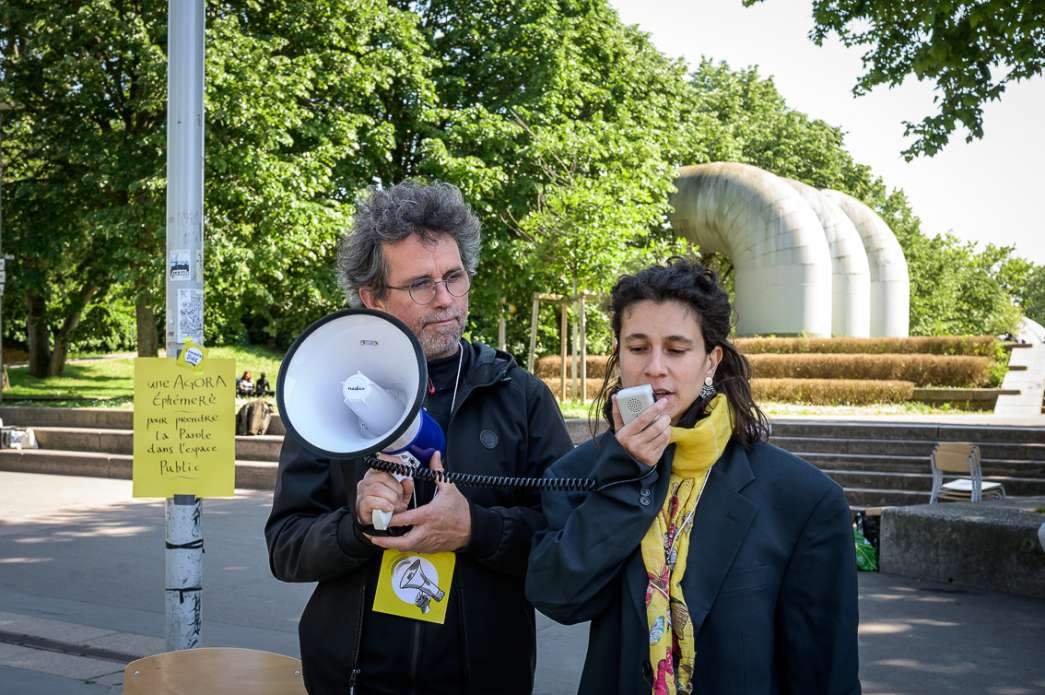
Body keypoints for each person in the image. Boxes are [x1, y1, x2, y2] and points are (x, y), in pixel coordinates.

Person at [265, 181, 574, 694]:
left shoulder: (520, 396)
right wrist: (357, 527)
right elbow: (286, 547)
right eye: (421, 285)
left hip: (484, 678)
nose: (446, 299)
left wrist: (475, 529)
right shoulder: (333, 392)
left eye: (455, 277)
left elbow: (564, 540)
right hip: (353, 678)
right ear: (372, 298)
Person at [526, 258, 860, 694]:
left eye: (677, 349)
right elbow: (558, 596)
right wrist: (627, 478)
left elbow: (825, 673)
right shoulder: (581, 474)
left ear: (711, 361)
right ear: (619, 355)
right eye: (638, 347)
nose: (655, 367)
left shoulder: (802, 499)